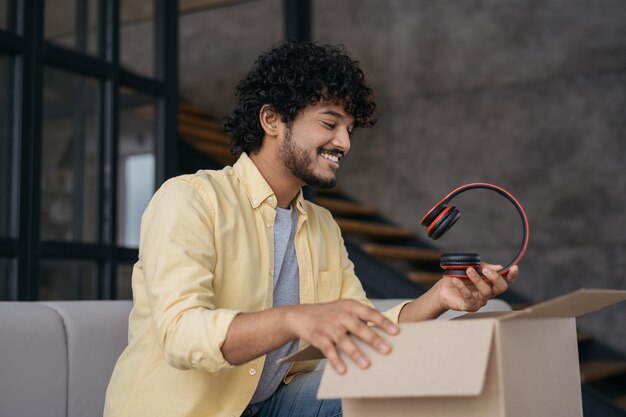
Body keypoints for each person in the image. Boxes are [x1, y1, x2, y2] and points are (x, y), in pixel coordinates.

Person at [104, 41, 517, 417]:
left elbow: (364, 331)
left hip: (272, 405)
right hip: (191, 412)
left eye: (349, 130)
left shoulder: (321, 226)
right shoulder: (189, 199)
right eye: (329, 123)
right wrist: (293, 320)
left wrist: (440, 297)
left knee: (392, 383)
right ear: (271, 119)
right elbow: (181, 334)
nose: (345, 143)